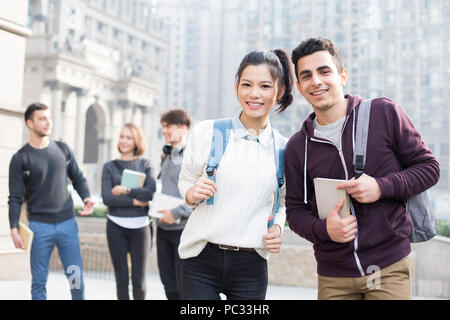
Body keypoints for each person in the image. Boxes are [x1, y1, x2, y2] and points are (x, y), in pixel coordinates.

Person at [285, 37, 440, 300]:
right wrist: (325, 230)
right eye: (307, 76)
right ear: (300, 87)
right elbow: (295, 211)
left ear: (342, 75)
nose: (316, 81)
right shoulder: (297, 147)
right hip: (333, 276)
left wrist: (381, 186)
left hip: (388, 267)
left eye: (324, 71)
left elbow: (429, 168)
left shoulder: (384, 113)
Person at [177, 49, 294, 300]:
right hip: (200, 258)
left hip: (251, 266)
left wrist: (277, 228)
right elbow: (186, 179)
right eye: (247, 85)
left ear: (279, 91)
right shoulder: (208, 132)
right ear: (236, 87)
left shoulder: (283, 149)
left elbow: (282, 203)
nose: (254, 94)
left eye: (264, 86)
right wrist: (190, 193)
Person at [8, 102, 94, 300]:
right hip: (39, 227)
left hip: (67, 224)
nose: (48, 122)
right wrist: (13, 228)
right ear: (30, 123)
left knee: (76, 278)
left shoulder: (63, 150)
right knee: (39, 281)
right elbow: (14, 198)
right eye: (42, 118)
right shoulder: (20, 158)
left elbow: (79, 178)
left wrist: (87, 198)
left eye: (49, 118)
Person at [101, 123, 156, 300]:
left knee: (139, 282)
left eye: (129, 137)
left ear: (136, 141)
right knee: (121, 279)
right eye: (122, 136)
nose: (124, 141)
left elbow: (150, 192)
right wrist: (135, 201)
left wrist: (125, 190)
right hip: (116, 226)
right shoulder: (109, 166)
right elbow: (108, 199)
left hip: (141, 228)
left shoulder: (145, 164)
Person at [155, 108, 193, 300]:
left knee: (182, 287)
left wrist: (175, 213)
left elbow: (198, 198)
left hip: (182, 231)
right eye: (163, 127)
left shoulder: (192, 158)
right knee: (168, 285)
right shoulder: (167, 155)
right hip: (162, 230)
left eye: (168, 126)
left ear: (183, 128)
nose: (164, 131)